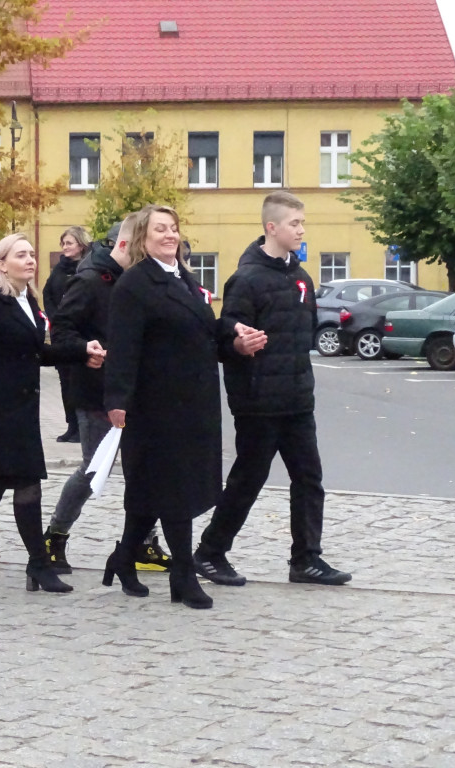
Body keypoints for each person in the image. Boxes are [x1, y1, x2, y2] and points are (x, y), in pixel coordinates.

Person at [103, 205, 266, 609]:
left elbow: (205, 332)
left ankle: (123, 558)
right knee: (174, 491)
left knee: (153, 491)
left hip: (194, 401)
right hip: (155, 404)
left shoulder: (185, 278)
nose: (169, 235)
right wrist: (117, 400)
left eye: (173, 229)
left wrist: (235, 340)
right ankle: (182, 576)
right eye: (160, 230)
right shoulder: (134, 285)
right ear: (143, 237)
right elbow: (123, 348)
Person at [194, 192, 352, 587]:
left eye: (302, 223)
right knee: (249, 479)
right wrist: (237, 343)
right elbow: (225, 337)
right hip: (259, 402)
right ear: (272, 227)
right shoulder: (246, 279)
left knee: (309, 478)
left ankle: (306, 559)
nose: (301, 230)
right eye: (295, 223)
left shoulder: (300, 277)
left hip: (297, 399)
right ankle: (210, 552)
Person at [0, 234, 103, 592]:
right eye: (21, 255)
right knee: (27, 482)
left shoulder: (26, 300)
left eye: (32, 254)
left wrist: (80, 352)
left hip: (23, 408)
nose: (30, 260)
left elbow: (36, 352)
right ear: (1, 264)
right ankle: (38, 565)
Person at [45, 213, 171, 575]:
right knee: (93, 469)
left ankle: (144, 545)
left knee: (145, 471)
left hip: (136, 392)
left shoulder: (139, 281)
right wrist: (86, 350)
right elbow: (62, 329)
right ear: (123, 245)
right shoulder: (89, 281)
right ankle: (54, 536)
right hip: (95, 392)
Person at [43, 225, 91, 443]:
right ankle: (71, 425)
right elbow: (48, 294)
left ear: (80, 244)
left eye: (69, 243)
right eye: (63, 244)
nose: (64, 247)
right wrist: (56, 319)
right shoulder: (59, 269)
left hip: (81, 334)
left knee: (78, 380)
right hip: (61, 332)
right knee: (65, 381)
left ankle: (82, 428)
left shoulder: (87, 268)